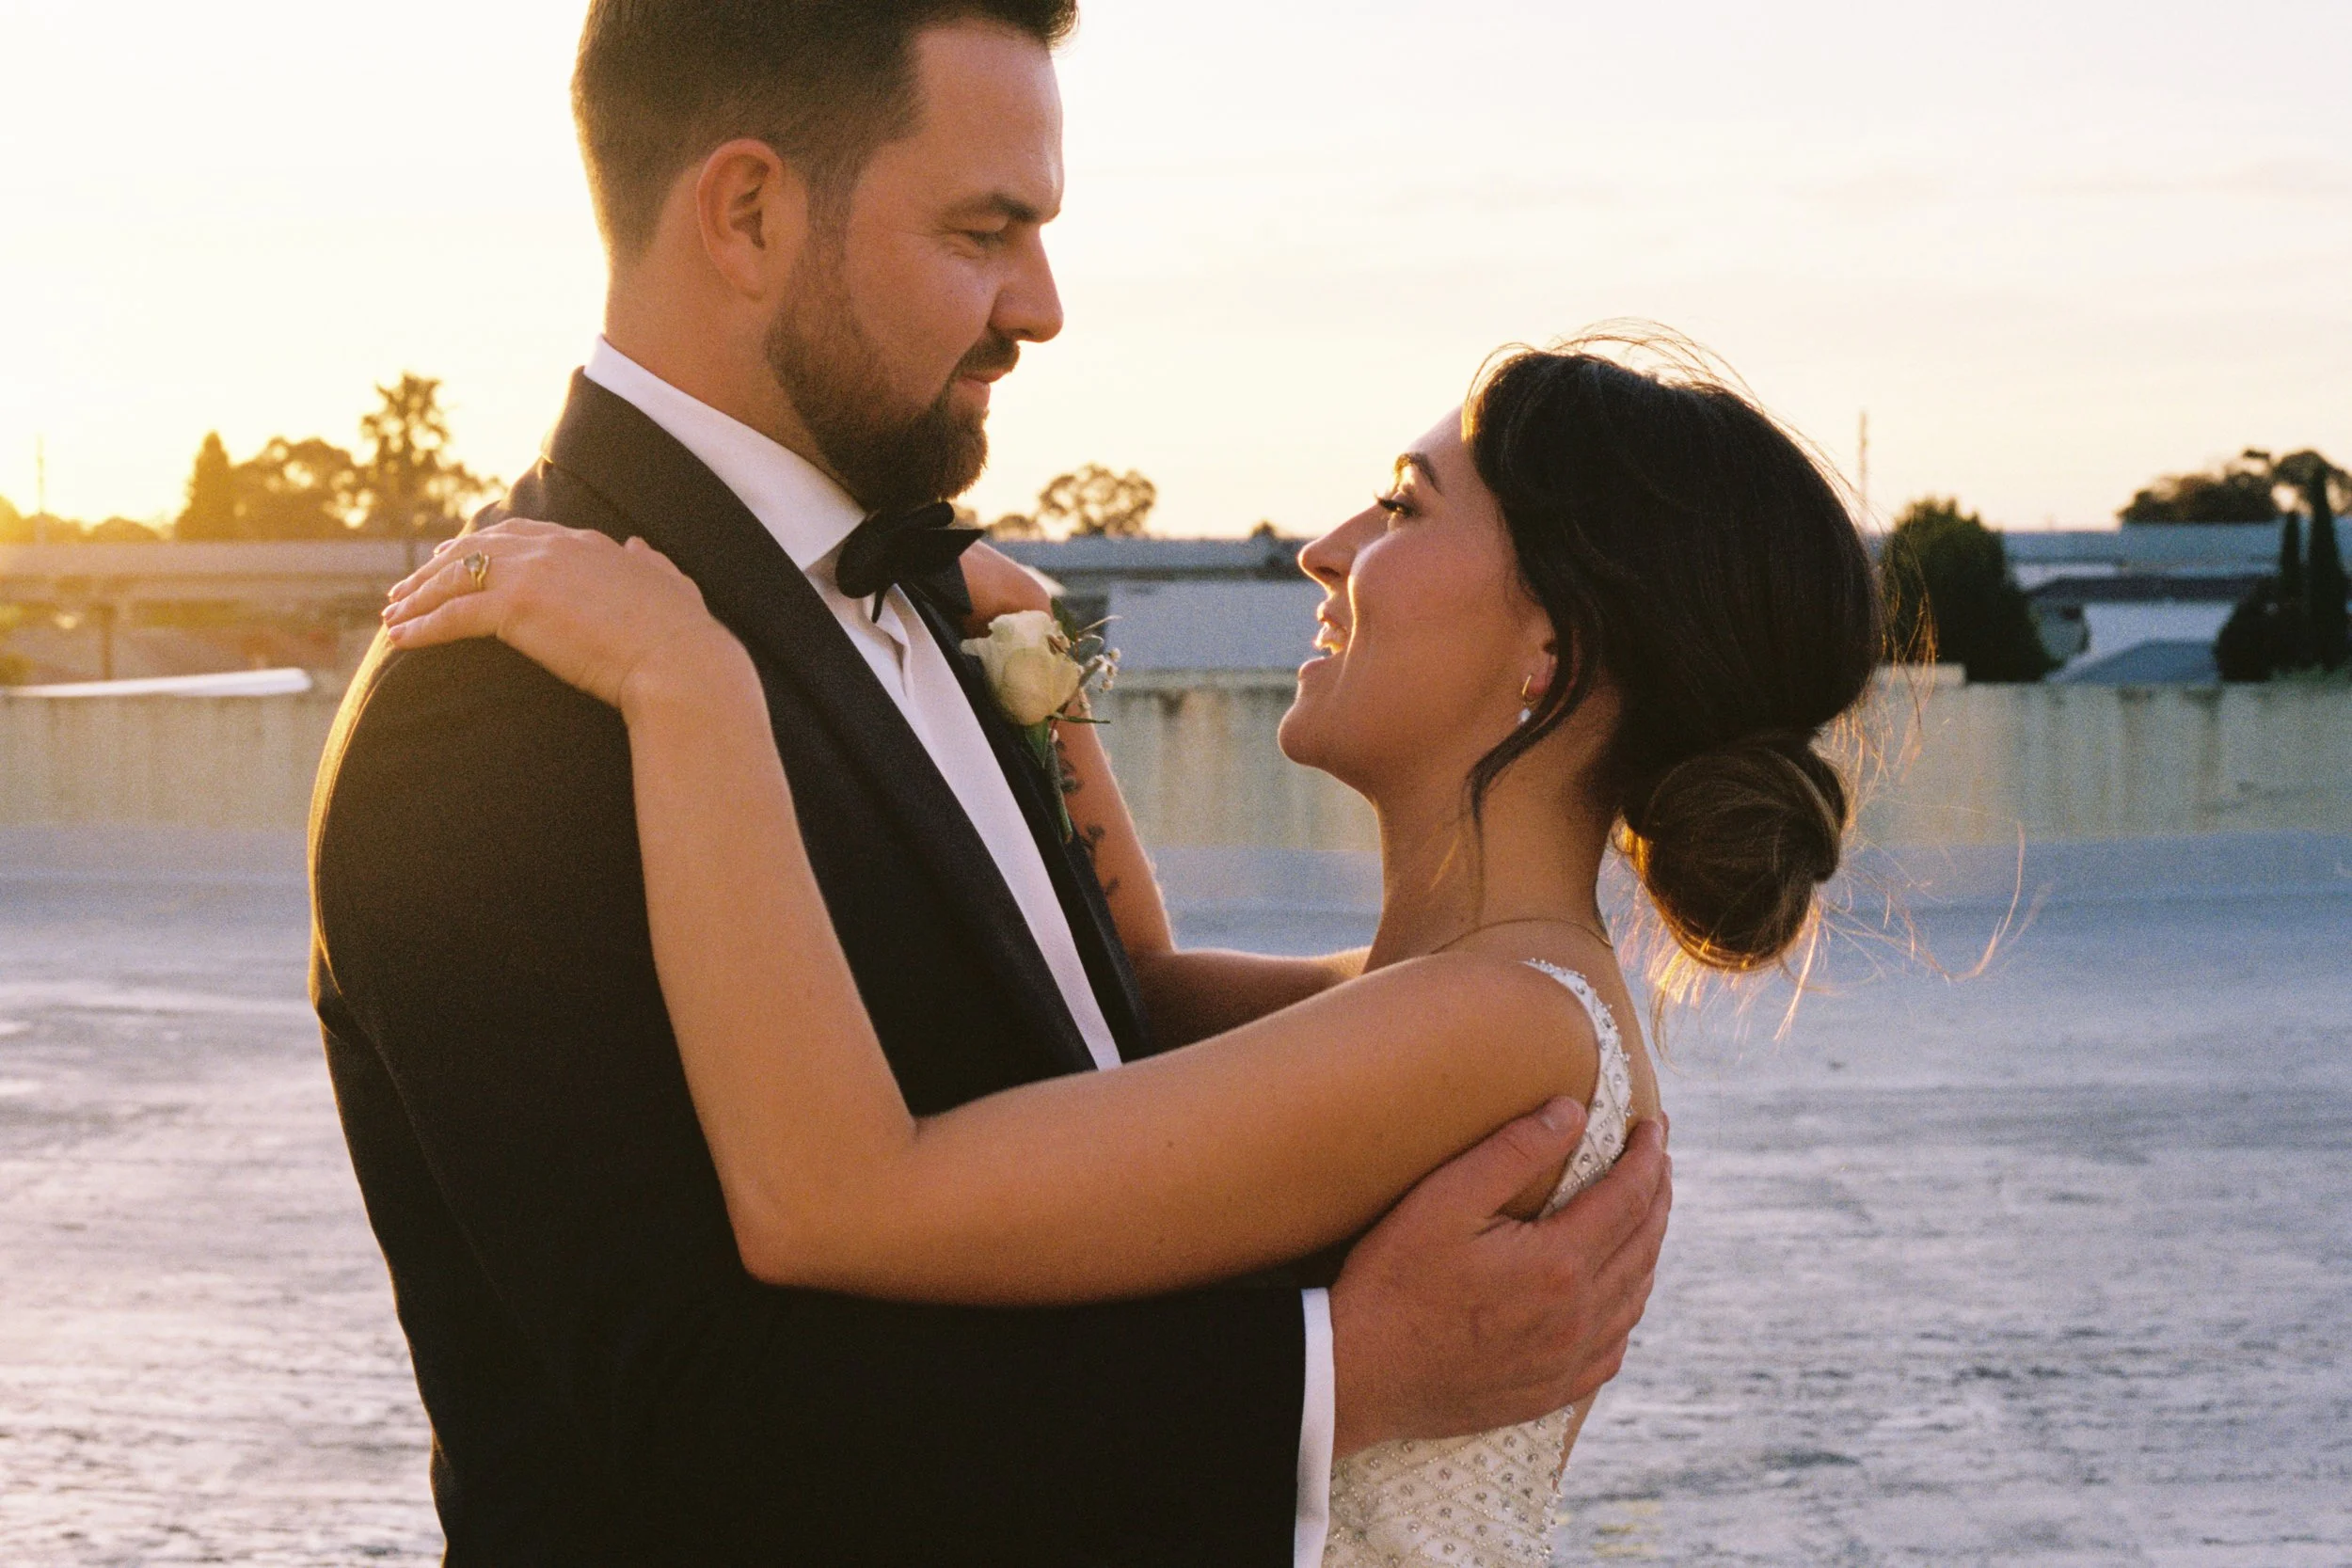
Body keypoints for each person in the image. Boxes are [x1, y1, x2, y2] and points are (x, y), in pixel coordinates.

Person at [308, 4, 1671, 1563]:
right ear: (746, 212)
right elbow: (700, 1422)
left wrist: (1471, 1011)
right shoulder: (494, 698)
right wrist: (1339, 1376)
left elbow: (1111, 1022)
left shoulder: (976, 608)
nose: (1042, 306)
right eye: (984, 230)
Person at [377, 333, 1882, 1564]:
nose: (1323, 549)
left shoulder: (1500, 1028)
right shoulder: (1480, 999)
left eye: (1407, 509)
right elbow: (1137, 997)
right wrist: (1039, 660)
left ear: (1551, 650)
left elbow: (839, 1198)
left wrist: (686, 680)